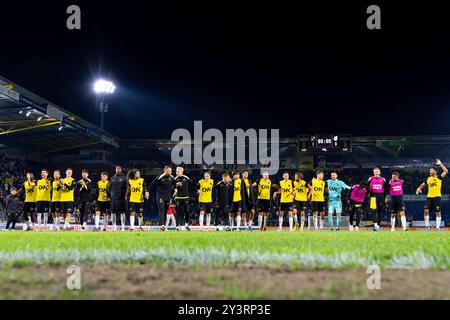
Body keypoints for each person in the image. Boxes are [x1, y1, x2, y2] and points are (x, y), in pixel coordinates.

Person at [416, 159, 448, 231]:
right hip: (429, 197)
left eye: (431, 170)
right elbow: (423, 185)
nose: (429, 171)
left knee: (438, 212)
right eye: (429, 170)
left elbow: (446, 171)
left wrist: (440, 164)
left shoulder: (439, 178)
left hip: (437, 197)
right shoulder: (428, 178)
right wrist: (418, 188)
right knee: (426, 210)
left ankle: (437, 227)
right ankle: (427, 227)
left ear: (435, 171)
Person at [151, 166, 174, 231]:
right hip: (160, 196)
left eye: (170, 171)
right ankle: (162, 225)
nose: (170, 172)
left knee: (166, 211)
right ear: (165, 171)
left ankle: (165, 226)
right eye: (168, 171)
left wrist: (175, 191)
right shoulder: (160, 177)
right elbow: (152, 184)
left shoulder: (172, 177)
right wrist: (147, 192)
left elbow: (174, 185)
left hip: (168, 197)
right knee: (161, 210)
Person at [367, 167, 388, 231]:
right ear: (373, 172)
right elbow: (366, 186)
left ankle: (378, 226)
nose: (376, 172)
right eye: (375, 171)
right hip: (373, 197)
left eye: (377, 171)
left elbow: (386, 189)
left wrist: (385, 197)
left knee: (379, 212)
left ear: (380, 172)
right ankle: (375, 225)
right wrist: (367, 193)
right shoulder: (370, 178)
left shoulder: (383, 179)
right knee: (374, 211)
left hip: (381, 197)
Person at [110, 165, 128, 231]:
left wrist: (126, 196)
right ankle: (114, 227)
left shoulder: (125, 177)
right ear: (115, 169)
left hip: (122, 198)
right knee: (113, 212)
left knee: (122, 212)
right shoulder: (112, 178)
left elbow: (127, 188)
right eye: (116, 168)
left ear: (121, 169)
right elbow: (110, 188)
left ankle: (123, 227)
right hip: (113, 198)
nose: (118, 169)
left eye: (119, 168)